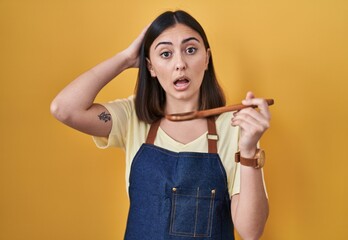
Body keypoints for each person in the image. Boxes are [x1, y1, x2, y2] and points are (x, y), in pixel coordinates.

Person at [51, 10, 270, 240]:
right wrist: (126, 58)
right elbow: (63, 109)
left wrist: (248, 151)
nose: (180, 63)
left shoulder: (236, 126)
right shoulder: (133, 117)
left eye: (191, 50)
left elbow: (251, 232)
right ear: (150, 67)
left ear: (206, 59)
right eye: (165, 54)